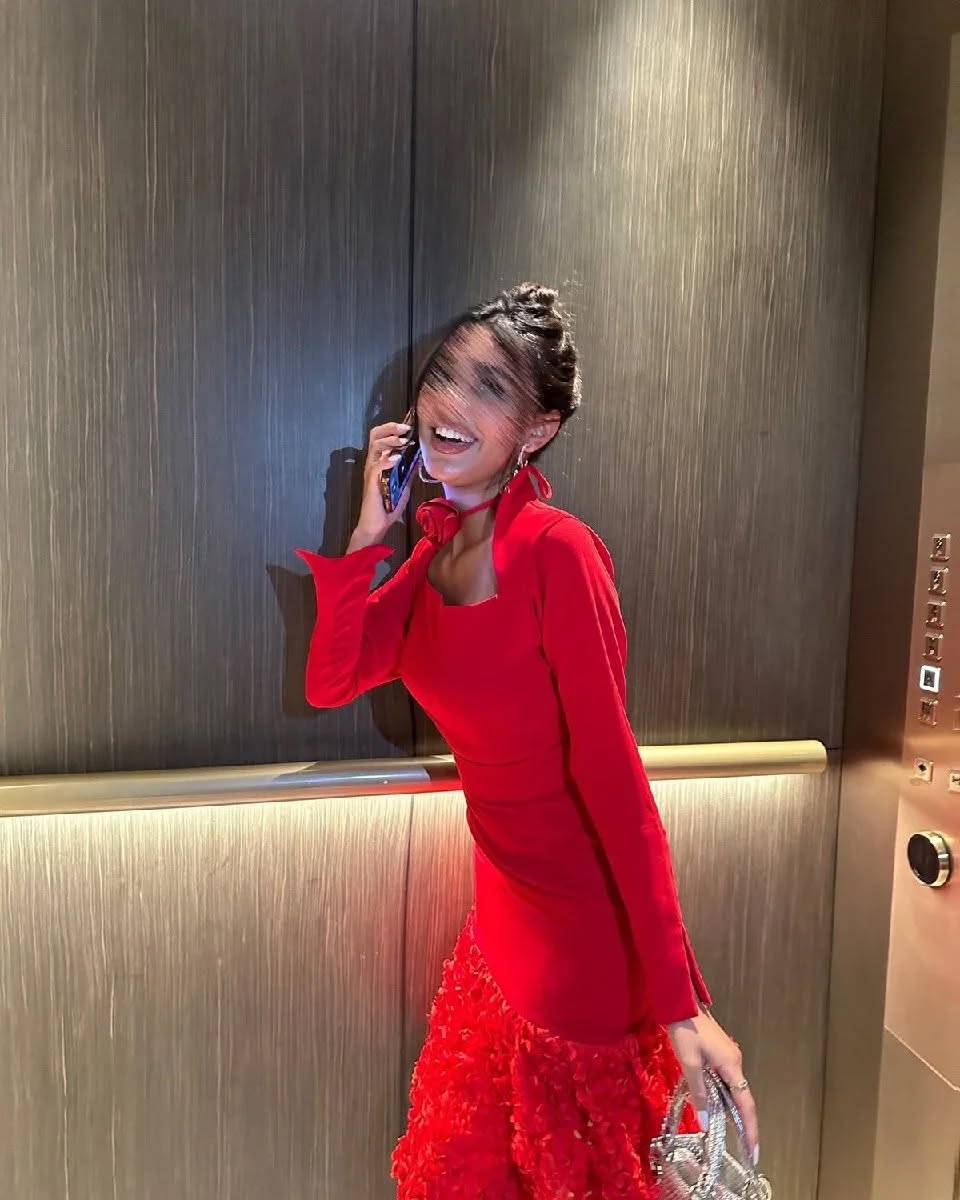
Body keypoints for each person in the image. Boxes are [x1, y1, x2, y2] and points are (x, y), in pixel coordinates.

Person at [297, 283, 759, 1198]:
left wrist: (682, 1006)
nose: (449, 403)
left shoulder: (558, 552)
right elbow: (332, 679)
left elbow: (617, 785)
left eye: (490, 389)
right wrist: (367, 533)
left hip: (582, 952)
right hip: (501, 927)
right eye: (443, 377)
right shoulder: (430, 558)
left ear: (536, 432)